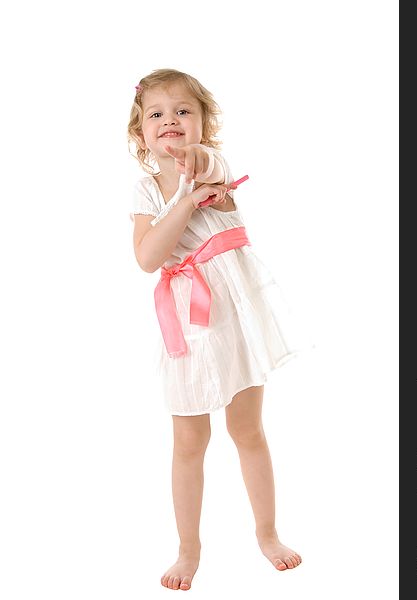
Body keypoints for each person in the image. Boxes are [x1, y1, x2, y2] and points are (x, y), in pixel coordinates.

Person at [127, 68, 308, 591]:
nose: (170, 122)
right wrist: (181, 203)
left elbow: (207, 171)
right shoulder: (145, 192)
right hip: (187, 323)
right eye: (156, 114)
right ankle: (189, 548)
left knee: (247, 429)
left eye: (183, 111)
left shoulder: (210, 167)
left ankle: (268, 533)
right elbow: (148, 257)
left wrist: (194, 172)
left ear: (204, 124)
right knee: (189, 439)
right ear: (140, 133)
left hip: (236, 315)